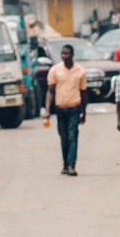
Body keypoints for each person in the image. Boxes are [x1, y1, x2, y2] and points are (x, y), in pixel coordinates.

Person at [43, 44, 88, 176]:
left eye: (67, 53)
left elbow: (84, 93)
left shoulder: (80, 71)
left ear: (72, 54)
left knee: (72, 136)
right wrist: (47, 110)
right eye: (62, 53)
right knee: (63, 137)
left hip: (74, 108)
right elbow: (50, 91)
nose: (64, 56)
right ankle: (65, 163)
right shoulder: (55, 70)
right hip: (60, 109)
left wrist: (84, 113)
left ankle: (71, 165)